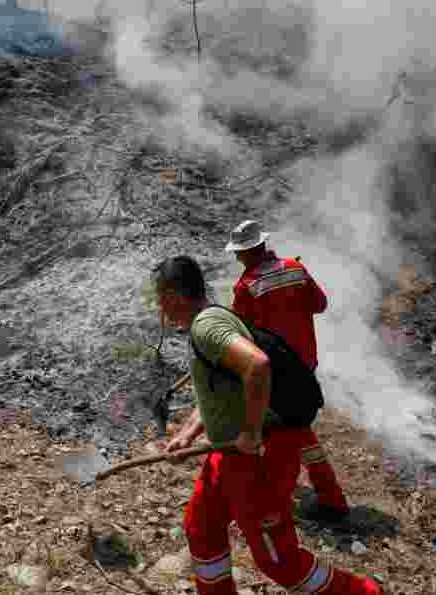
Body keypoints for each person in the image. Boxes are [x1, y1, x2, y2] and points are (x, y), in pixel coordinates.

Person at [156, 256, 382, 595]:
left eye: (160, 298)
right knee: (202, 527)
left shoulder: (207, 327)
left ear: (173, 296)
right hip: (229, 457)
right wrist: (188, 434)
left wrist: (249, 433)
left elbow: (257, 366)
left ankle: (363, 593)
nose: (159, 307)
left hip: (259, 458)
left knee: (280, 562)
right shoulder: (211, 321)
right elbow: (221, 391)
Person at [226, 219, 352, 522]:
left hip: (278, 372)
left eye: (238, 252)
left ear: (248, 251)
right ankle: (321, 495)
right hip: (305, 364)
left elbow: (241, 333)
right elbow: (320, 305)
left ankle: (319, 500)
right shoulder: (295, 269)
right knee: (297, 428)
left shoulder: (247, 286)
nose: (236, 257)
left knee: (286, 432)